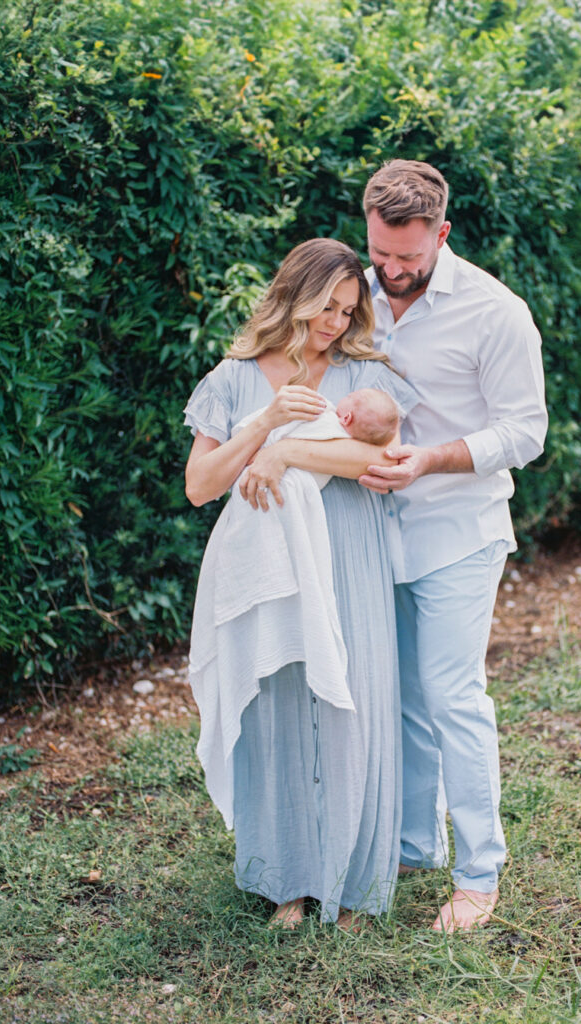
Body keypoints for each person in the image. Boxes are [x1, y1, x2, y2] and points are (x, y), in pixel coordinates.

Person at [183, 238, 418, 929]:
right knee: (280, 705)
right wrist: (264, 427)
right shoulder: (232, 377)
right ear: (295, 291)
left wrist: (287, 451)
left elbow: (380, 452)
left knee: (353, 706)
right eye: (328, 306)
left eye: (349, 311)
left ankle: (352, 883)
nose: (337, 323)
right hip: (271, 562)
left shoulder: (361, 373)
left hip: (349, 550)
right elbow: (201, 486)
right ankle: (288, 877)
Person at [357, 160, 548, 931]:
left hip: (458, 530)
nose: (393, 272)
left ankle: (479, 874)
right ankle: (413, 843)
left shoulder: (496, 312)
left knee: (452, 696)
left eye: (409, 257)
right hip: (374, 531)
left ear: (442, 233)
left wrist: (430, 459)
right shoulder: (355, 295)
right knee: (399, 696)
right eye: (381, 254)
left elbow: (526, 432)